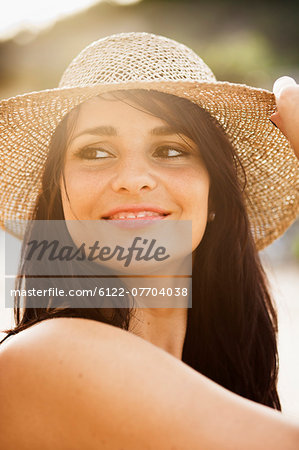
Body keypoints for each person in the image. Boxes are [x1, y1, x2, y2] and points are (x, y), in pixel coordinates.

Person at [0, 32, 298, 449]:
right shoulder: (45, 358)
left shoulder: (228, 382)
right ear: (58, 195)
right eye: (95, 152)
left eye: (172, 150)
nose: (133, 180)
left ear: (215, 194)